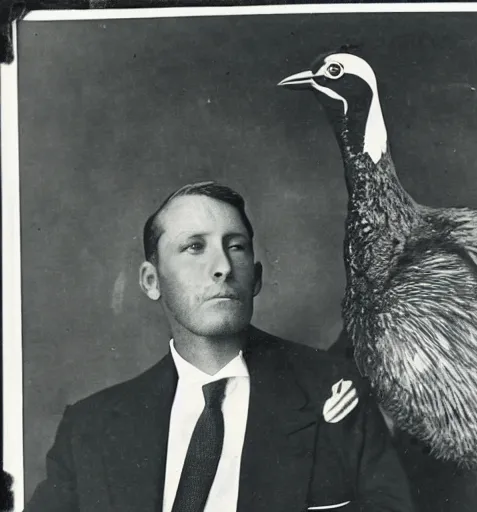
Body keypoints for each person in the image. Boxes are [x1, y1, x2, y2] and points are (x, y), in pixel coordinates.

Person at [25, 181, 415, 512]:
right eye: (194, 247)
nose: (223, 267)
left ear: (256, 277)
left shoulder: (332, 388)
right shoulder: (89, 429)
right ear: (150, 281)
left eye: (236, 247)